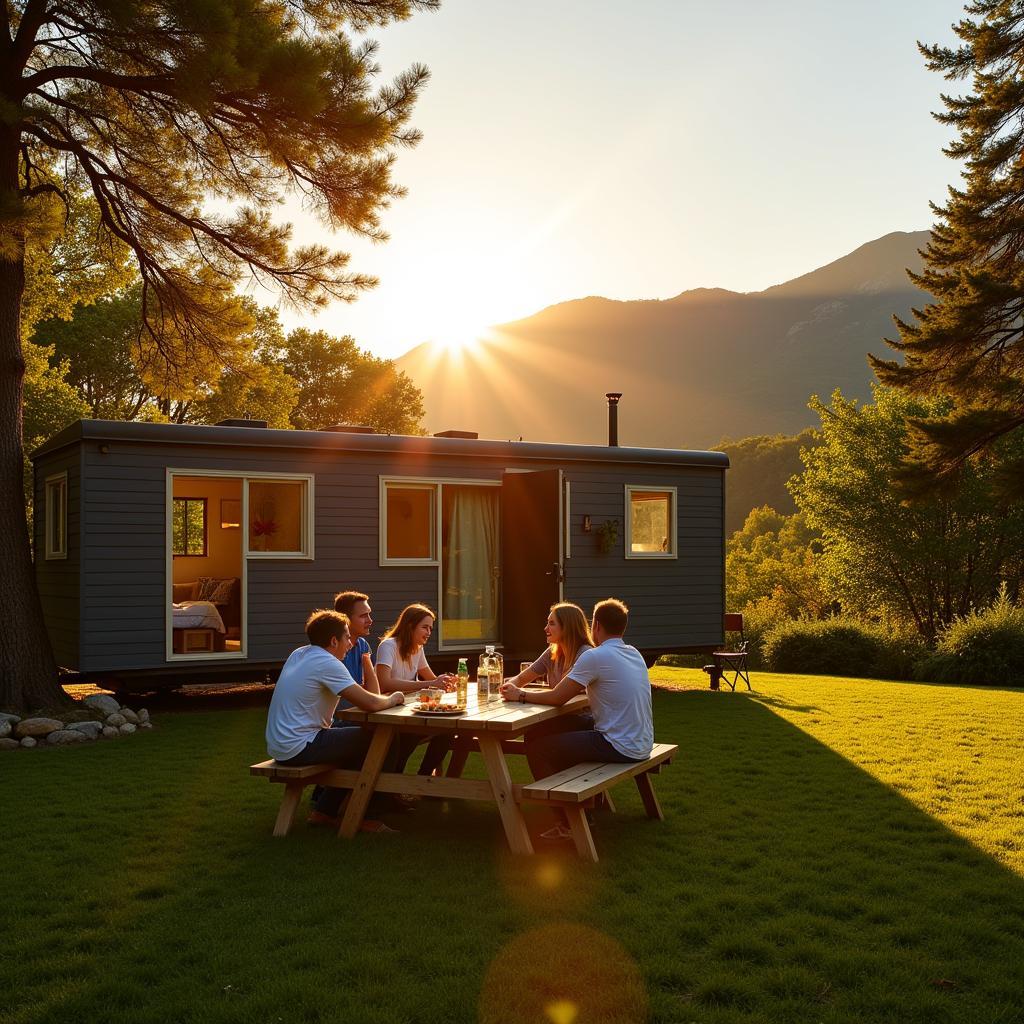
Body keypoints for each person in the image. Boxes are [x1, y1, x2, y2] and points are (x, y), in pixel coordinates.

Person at [499, 598, 654, 840]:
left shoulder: (594, 656)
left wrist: (520, 695)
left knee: (539, 749)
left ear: (597, 626)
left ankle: (567, 822)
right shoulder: (632, 652)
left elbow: (558, 698)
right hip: (640, 740)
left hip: (618, 743)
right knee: (537, 733)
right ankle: (576, 805)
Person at [265, 609, 405, 832]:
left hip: (281, 745)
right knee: (384, 738)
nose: (351, 643)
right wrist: (395, 698)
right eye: (347, 637)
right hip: (302, 746)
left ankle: (324, 811)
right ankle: (370, 816)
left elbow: (366, 697)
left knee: (359, 736)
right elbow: (370, 703)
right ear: (333, 640)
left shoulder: (300, 654)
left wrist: (367, 665)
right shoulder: (327, 663)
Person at [376, 603, 453, 775]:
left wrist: (446, 682)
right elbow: (384, 683)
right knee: (410, 736)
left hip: (409, 711)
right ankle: (393, 784)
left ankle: (424, 778)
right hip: (388, 713)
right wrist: (429, 684)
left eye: (430, 629)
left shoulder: (417, 648)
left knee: (448, 731)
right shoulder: (388, 646)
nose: (428, 633)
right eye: (425, 627)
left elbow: (431, 679)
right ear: (410, 626)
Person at [506, 602, 594, 689]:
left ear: (567, 627)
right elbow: (520, 678)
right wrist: (506, 688)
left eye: (551, 623)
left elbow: (558, 695)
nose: (545, 628)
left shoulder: (585, 653)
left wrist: (521, 696)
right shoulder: (552, 652)